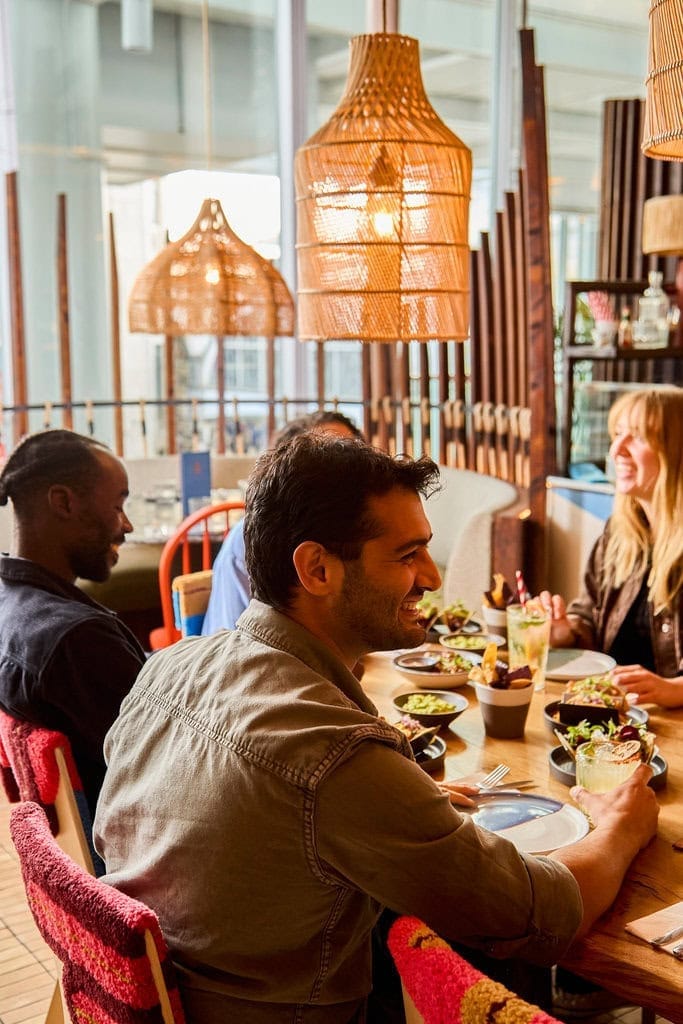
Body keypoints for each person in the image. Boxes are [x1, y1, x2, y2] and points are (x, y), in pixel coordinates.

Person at [95, 436, 658, 1024]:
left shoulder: (168, 666)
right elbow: (535, 913)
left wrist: (383, 802)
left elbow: (131, 837)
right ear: (317, 570)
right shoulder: (333, 752)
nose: (433, 578)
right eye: (408, 554)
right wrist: (622, 824)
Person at [0, 429, 145, 815]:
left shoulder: (10, 601)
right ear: (63, 502)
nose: (126, 525)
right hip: (138, 842)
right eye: (117, 506)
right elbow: (163, 762)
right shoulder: (76, 640)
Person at [542, 387, 683, 707]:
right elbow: (589, 615)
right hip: (614, 716)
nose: (616, 449)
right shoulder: (619, 534)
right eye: (617, 434)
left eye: (637, 437)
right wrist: (565, 632)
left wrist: (674, 689)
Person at [201, 410, 363, 634]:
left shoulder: (360, 530)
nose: (351, 472)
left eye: (354, 455)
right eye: (330, 460)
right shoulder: (251, 539)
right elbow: (238, 642)